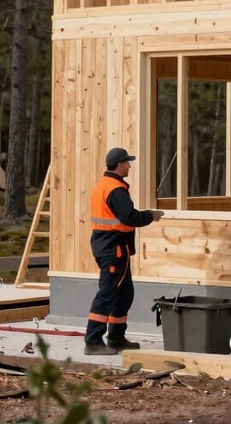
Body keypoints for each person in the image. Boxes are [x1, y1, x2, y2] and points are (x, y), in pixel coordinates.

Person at [84, 147, 164, 355]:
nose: (129, 166)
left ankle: (116, 338)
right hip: (113, 249)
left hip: (112, 248)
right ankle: (93, 341)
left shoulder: (105, 185)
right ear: (119, 164)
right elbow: (129, 217)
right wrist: (150, 216)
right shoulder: (115, 189)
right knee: (108, 294)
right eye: (127, 162)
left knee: (124, 295)